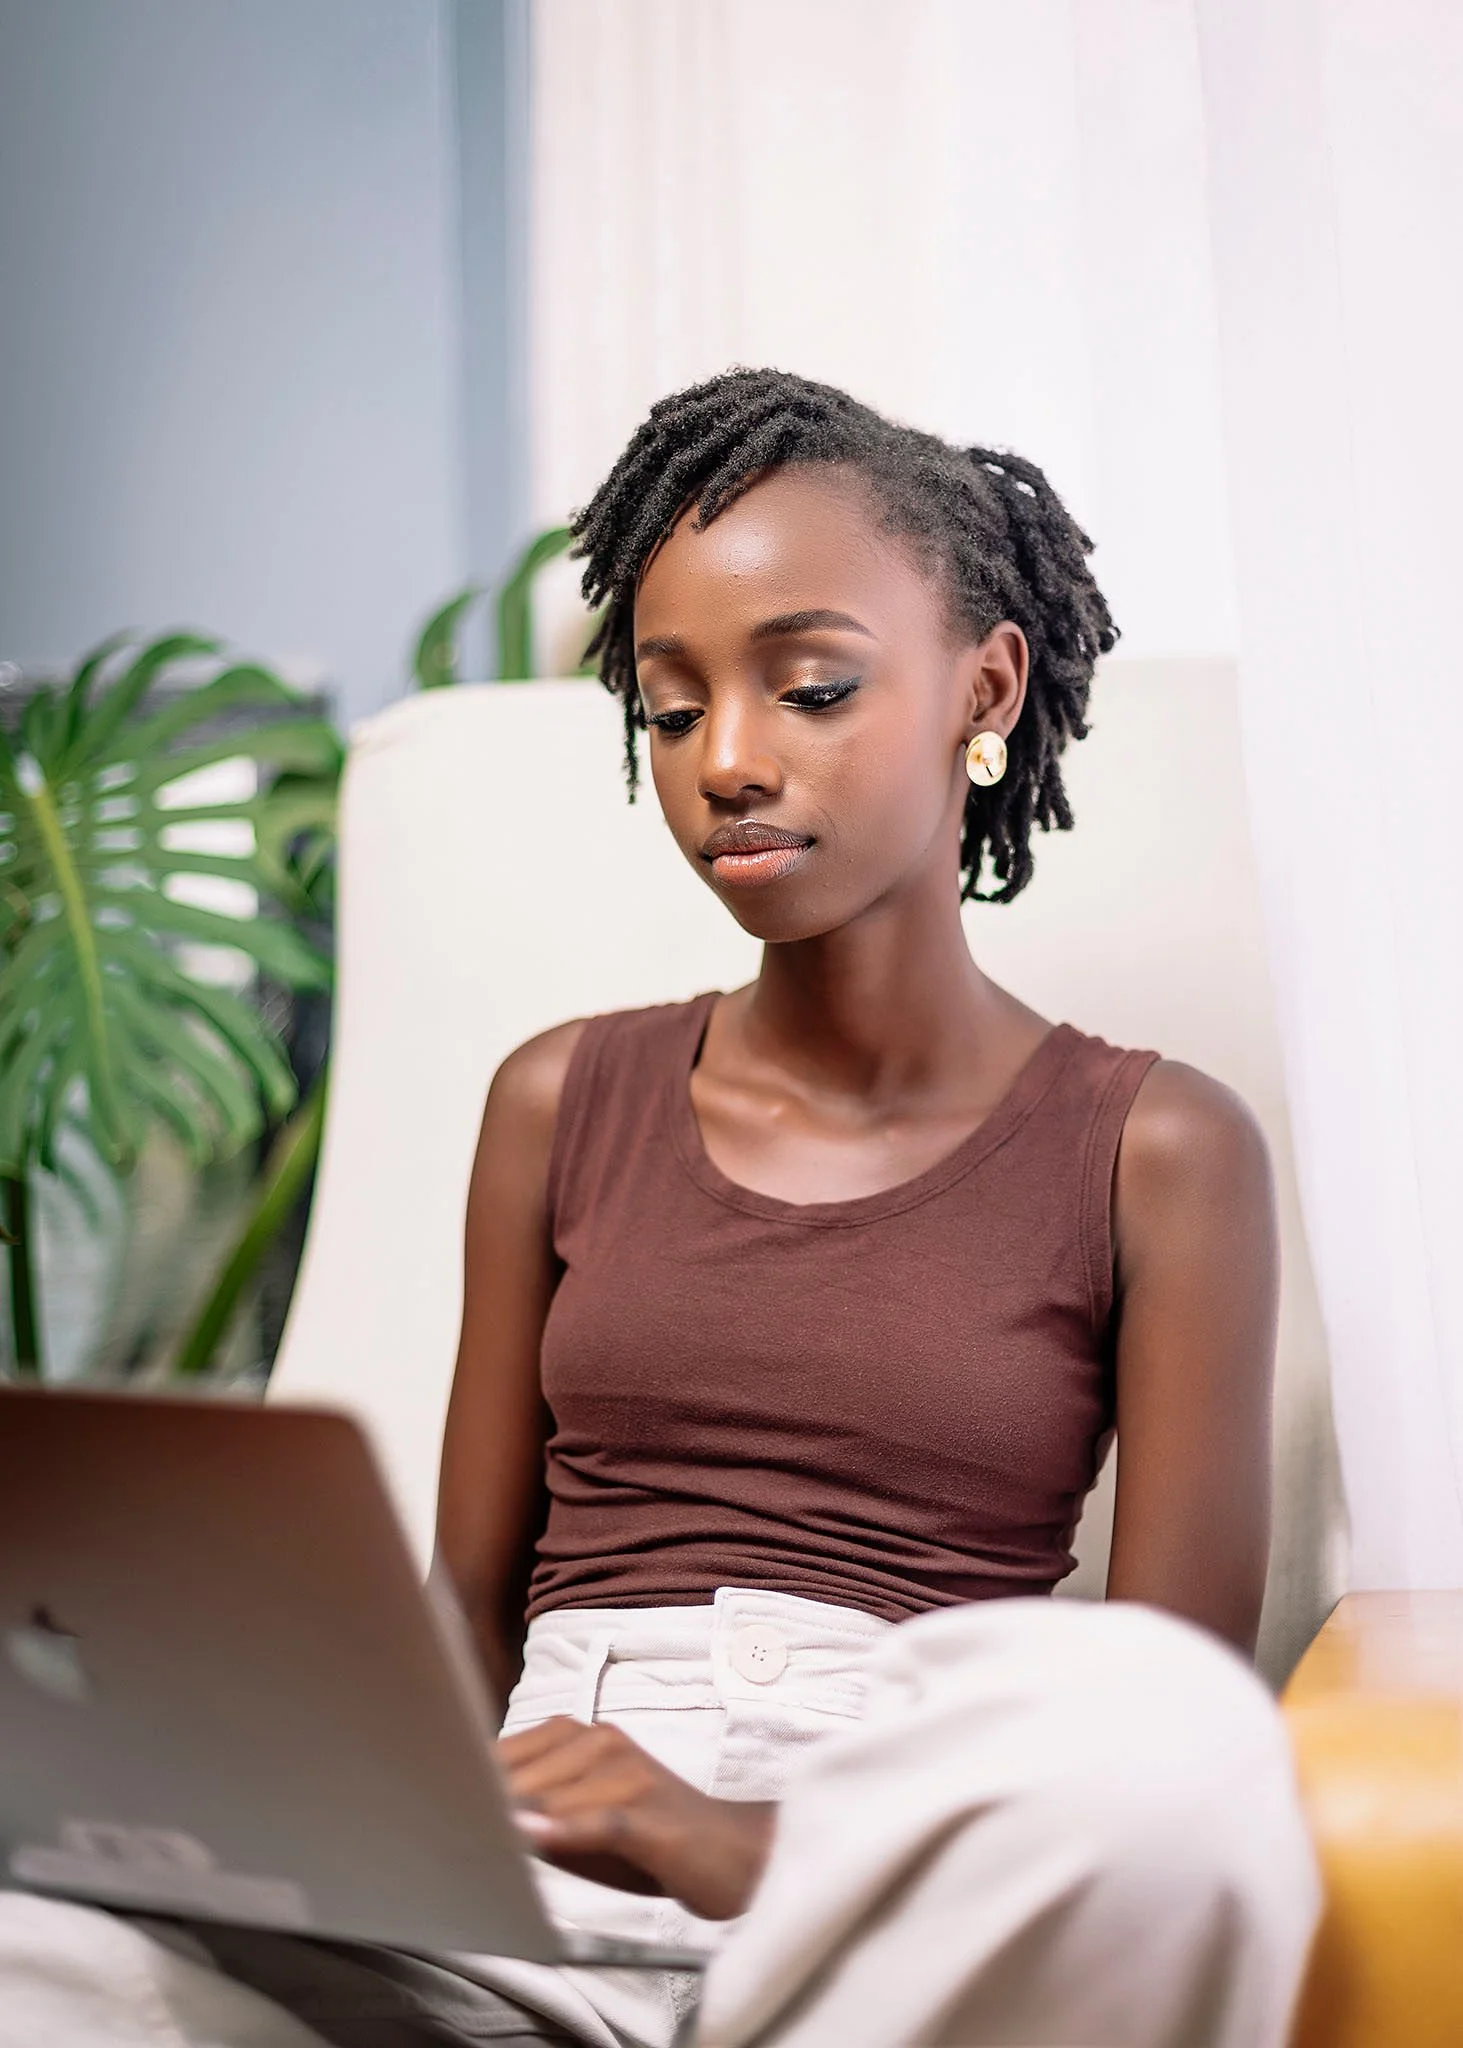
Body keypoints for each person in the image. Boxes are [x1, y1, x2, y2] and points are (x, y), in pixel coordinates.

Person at [0, 370, 1320, 2047]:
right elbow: (462, 1611)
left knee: (1189, 1782)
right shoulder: (560, 1099)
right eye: (670, 708)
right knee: (38, 1957)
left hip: (890, 1883)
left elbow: (1162, 1720)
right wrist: (345, 1829)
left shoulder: (1157, 1148)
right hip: (534, 1879)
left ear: (983, 687)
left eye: (812, 687)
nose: (729, 763)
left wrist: (745, 1842)